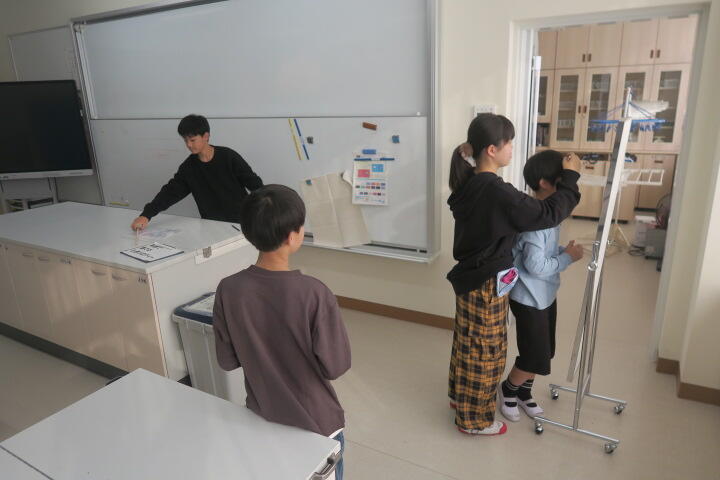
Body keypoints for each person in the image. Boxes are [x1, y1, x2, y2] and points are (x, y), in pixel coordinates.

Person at [446, 113, 581, 436]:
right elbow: (547, 212)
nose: (512, 149)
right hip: (486, 281)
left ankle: (460, 397)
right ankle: (474, 420)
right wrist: (571, 177)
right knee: (486, 351)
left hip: (471, 276)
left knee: (468, 343)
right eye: (509, 143)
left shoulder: (472, 182)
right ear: (491, 150)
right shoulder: (495, 190)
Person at [212, 184, 351, 479]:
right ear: (292, 236)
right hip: (317, 425)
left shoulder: (228, 289)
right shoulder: (314, 293)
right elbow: (336, 366)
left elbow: (227, 360)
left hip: (262, 415)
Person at [498, 150, 584, 423]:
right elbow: (535, 265)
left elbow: (542, 253)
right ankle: (508, 389)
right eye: (563, 180)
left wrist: (561, 251)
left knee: (545, 351)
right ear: (545, 184)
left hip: (545, 295)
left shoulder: (548, 217)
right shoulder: (537, 223)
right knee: (535, 355)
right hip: (529, 298)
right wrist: (567, 258)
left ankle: (524, 392)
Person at [131, 114, 263, 230]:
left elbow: (256, 185)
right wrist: (146, 215)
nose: (188, 144)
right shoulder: (188, 167)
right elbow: (170, 193)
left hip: (241, 224)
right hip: (210, 226)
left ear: (206, 136)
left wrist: (266, 215)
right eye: (185, 140)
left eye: (192, 140)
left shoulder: (228, 157)